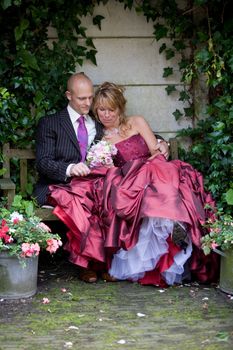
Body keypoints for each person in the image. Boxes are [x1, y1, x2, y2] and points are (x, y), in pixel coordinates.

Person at [48, 82, 219, 287]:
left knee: (162, 174)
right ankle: (173, 226)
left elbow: (155, 151)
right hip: (129, 181)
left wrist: (160, 148)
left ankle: (175, 225)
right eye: (101, 110)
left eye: (111, 109)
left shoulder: (137, 122)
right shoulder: (101, 139)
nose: (106, 115)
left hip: (153, 171)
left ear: (120, 108)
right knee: (142, 187)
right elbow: (106, 170)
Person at [34, 74, 169, 283]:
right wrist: (70, 169)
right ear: (69, 96)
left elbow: (129, 136)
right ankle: (87, 264)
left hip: (93, 183)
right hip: (60, 184)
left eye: (90, 98)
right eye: (82, 99)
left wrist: (162, 142)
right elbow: (42, 162)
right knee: (83, 202)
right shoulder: (50, 123)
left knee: (106, 199)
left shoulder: (97, 125)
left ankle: (104, 263)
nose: (88, 103)